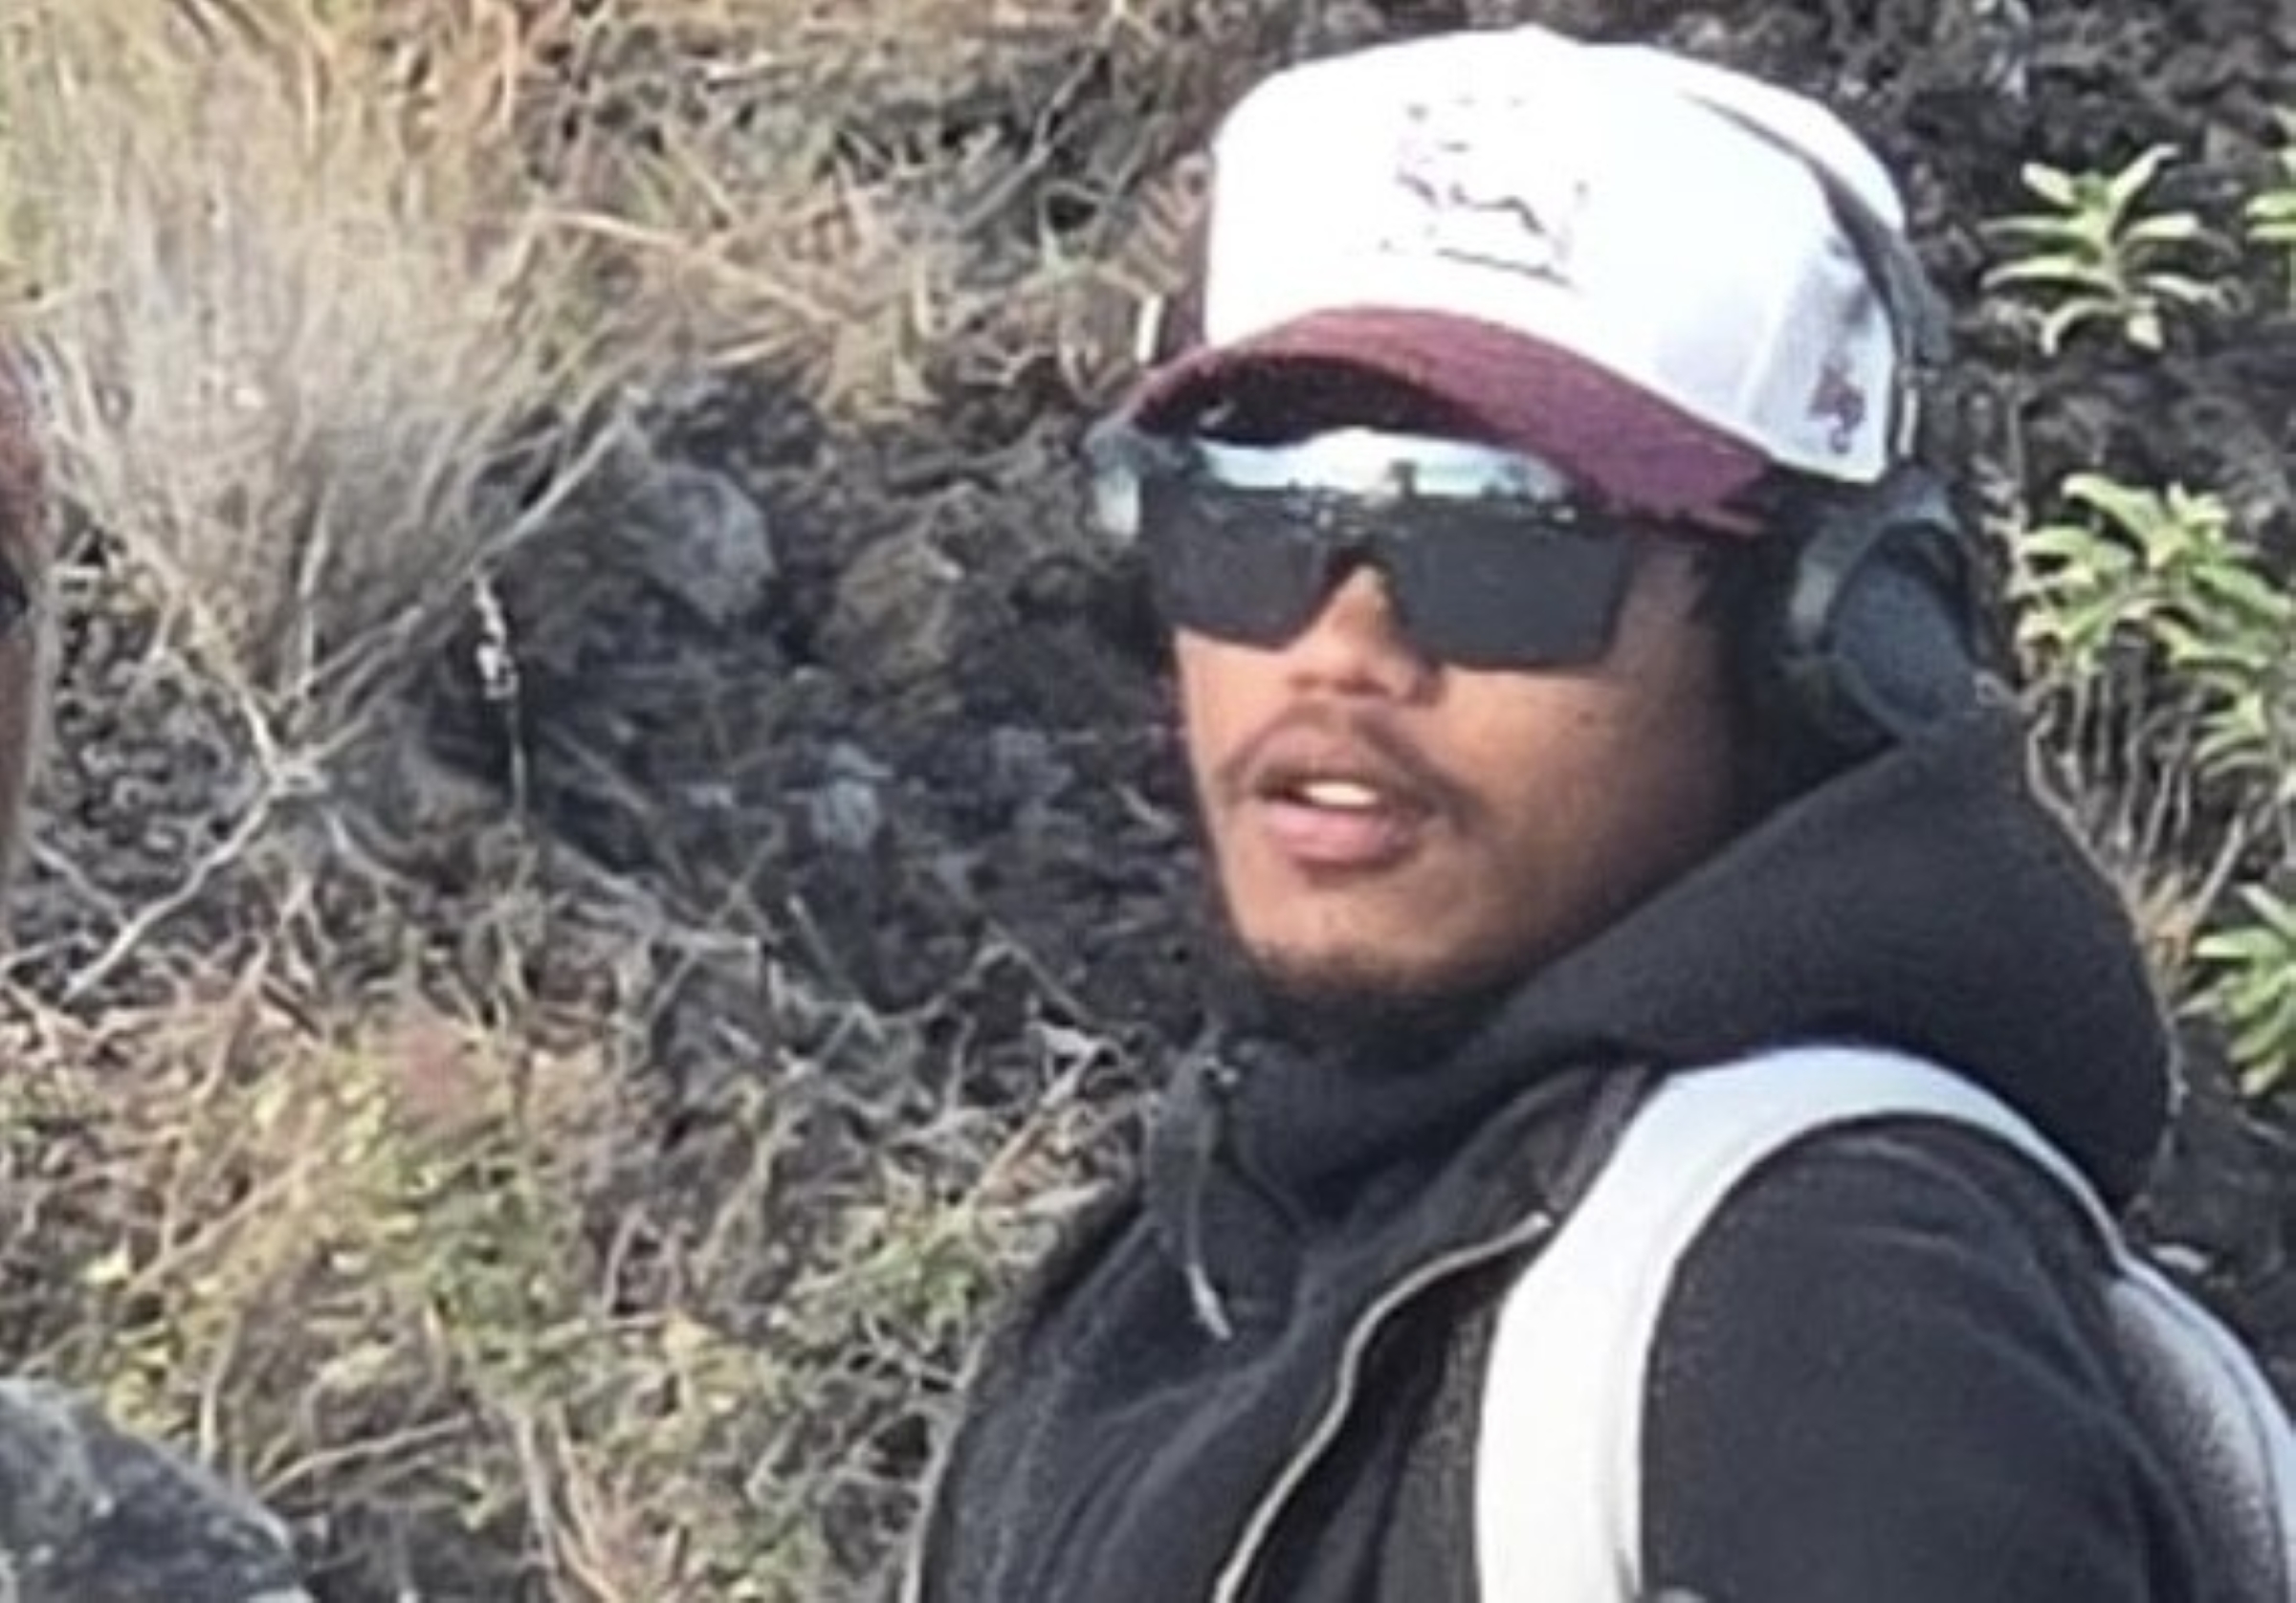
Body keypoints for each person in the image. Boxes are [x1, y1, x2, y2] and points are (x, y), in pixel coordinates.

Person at [901, 23, 2293, 1603]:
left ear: (1820, 638)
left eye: (1503, 544)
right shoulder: (1175, 1283)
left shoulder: (1821, 1313)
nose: (1340, 654)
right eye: (1250, 523)